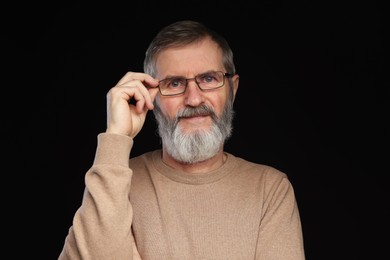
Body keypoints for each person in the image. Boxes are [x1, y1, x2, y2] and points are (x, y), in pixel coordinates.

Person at [59, 20, 305, 259]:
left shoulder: (270, 190)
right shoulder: (115, 180)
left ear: (233, 89)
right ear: (151, 97)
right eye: (174, 83)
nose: (194, 99)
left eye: (208, 79)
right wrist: (116, 136)